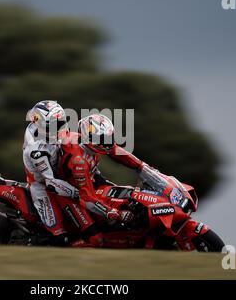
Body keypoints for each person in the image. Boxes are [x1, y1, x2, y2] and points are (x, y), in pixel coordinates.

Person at [59, 114, 162, 229]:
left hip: (92, 183)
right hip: (73, 195)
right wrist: (116, 214)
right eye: (104, 139)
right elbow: (87, 198)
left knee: (131, 196)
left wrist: (143, 167)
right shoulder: (79, 162)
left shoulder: (95, 145)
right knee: (95, 239)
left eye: (110, 137)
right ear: (90, 138)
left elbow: (118, 152)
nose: (109, 143)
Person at [22, 100, 81, 245]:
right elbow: (51, 182)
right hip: (43, 185)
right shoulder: (36, 150)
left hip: (60, 175)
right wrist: (78, 194)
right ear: (41, 125)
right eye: (54, 125)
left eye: (61, 122)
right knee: (60, 237)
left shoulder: (45, 129)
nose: (60, 127)